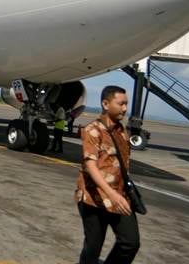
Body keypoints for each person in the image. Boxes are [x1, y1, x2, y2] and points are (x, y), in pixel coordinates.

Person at [75, 85, 140, 264]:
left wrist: (120, 194)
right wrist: (111, 194)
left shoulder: (122, 131)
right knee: (93, 247)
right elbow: (90, 165)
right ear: (105, 104)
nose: (125, 108)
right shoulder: (92, 129)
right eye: (121, 104)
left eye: (126, 104)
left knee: (130, 242)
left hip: (120, 198)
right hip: (93, 198)